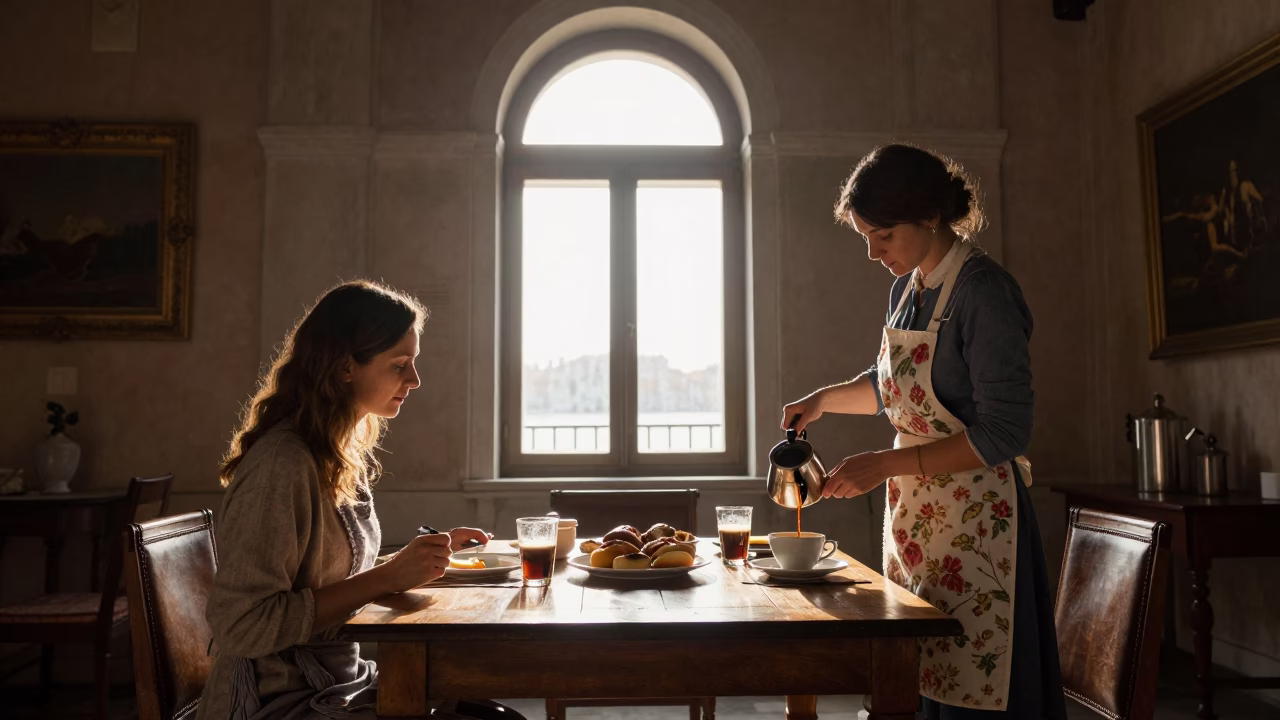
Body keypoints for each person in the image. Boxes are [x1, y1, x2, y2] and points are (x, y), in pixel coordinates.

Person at [782, 144, 1067, 718]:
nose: (873, 252)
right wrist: (824, 401)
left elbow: (1006, 431)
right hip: (923, 523)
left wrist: (883, 465)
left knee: (977, 684)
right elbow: (893, 386)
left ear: (931, 215)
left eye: (883, 235)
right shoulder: (906, 290)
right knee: (922, 673)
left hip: (981, 525)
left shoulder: (984, 292)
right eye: (866, 237)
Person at [197, 280, 491, 720]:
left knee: (480, 708)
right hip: (274, 702)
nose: (414, 380)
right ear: (344, 367)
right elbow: (243, 626)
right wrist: (387, 576)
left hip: (336, 683)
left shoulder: (335, 453)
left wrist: (416, 561)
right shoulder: (281, 466)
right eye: (400, 365)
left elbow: (327, 580)